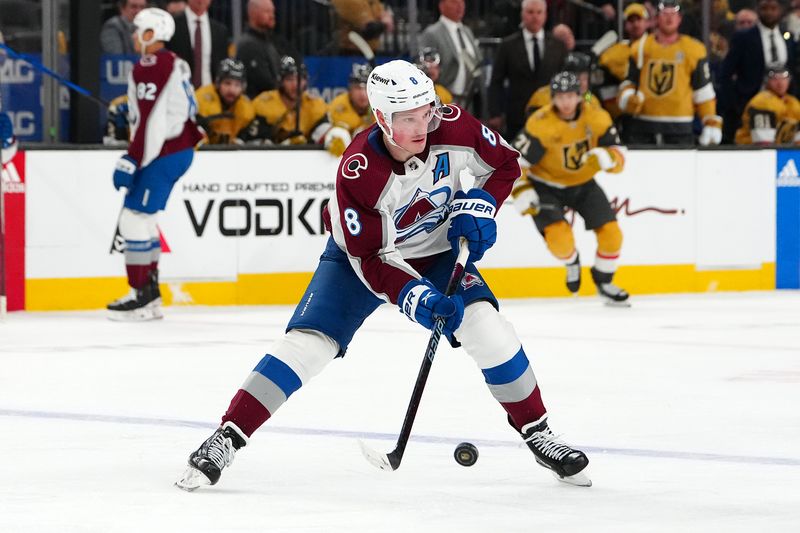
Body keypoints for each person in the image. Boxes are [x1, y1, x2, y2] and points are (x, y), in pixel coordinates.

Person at [176, 59, 592, 492]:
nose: (422, 125)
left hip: (437, 252)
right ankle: (227, 435)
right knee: (308, 345)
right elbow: (374, 259)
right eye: (407, 118)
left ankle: (538, 431)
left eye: (427, 112)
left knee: (489, 328)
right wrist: (417, 298)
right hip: (358, 261)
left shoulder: (453, 126)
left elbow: (504, 164)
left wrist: (482, 204)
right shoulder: (359, 170)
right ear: (381, 118)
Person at [106, 7, 204, 321]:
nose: (135, 37)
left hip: (165, 151)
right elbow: (168, 110)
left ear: (151, 34)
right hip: (177, 150)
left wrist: (132, 158)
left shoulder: (149, 65)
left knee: (133, 219)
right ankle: (148, 296)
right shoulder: (173, 62)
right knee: (143, 219)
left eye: (139, 31)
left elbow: (152, 120)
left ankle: (141, 298)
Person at [510, 71, 629, 306]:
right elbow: (515, 164)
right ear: (552, 97)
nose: (565, 102)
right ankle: (572, 260)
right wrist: (521, 189)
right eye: (560, 96)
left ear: (579, 96)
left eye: (570, 96)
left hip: (584, 184)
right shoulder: (540, 124)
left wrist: (608, 158)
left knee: (612, 235)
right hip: (546, 185)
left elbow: (619, 155)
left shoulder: (597, 117)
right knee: (560, 241)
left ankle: (604, 281)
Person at [617, 0, 721, 145]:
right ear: (657, 18)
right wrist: (628, 98)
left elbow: (702, 90)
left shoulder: (694, 50)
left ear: (680, 19)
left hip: (680, 127)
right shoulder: (640, 47)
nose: (669, 18)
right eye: (665, 14)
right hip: (643, 126)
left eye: (674, 14)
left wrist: (710, 121)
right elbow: (629, 82)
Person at [488, 0, 567, 139]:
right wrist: (495, 113)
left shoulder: (558, 45)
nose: (535, 16)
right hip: (517, 117)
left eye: (539, 12)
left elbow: (564, 80)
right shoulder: (508, 45)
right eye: (530, 12)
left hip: (551, 114)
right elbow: (496, 82)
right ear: (522, 14)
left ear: (545, 15)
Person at [719, 0, 794, 143]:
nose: (769, 12)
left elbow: (793, 71)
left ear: (780, 10)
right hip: (749, 106)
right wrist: (734, 105)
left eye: (773, 8)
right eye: (765, 8)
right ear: (758, 10)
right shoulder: (744, 37)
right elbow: (725, 73)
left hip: (782, 109)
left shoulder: (787, 36)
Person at [244, 56, 348, 152]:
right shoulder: (264, 103)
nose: (295, 85)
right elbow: (253, 144)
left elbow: (322, 131)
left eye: (300, 79)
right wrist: (286, 144)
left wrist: (333, 136)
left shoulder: (314, 105)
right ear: (281, 81)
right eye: (290, 79)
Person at [419, 0, 483, 108]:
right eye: (454, 1)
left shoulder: (467, 31)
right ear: (441, 6)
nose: (460, 5)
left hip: (470, 100)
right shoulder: (432, 33)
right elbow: (426, 68)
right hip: (445, 100)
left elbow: (477, 64)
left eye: (462, 2)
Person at [596, 3, 650, 121]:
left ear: (647, 23)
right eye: (631, 21)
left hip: (649, 105)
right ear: (625, 25)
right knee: (590, 94)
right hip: (622, 110)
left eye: (638, 20)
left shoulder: (655, 48)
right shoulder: (617, 50)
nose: (635, 24)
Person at [235, 0, 298, 99]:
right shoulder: (248, 45)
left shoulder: (270, 42)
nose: (272, 16)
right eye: (267, 12)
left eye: (272, 12)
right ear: (253, 13)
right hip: (258, 108)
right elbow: (266, 84)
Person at [167, 0, 230, 89]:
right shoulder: (172, 26)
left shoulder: (220, 31)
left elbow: (222, 66)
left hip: (210, 95)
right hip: (178, 91)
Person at [195, 58, 256, 144]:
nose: (232, 90)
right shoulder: (201, 100)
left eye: (237, 85)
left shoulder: (246, 109)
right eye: (227, 83)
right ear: (218, 83)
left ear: (243, 87)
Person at [735, 64, 800, 144]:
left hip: (780, 147)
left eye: (784, 78)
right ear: (767, 81)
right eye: (775, 79)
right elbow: (763, 139)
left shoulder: (793, 101)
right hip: (750, 148)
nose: (780, 83)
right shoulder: (761, 100)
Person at [525, 51, 602, 115]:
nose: (583, 83)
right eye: (578, 78)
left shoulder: (589, 96)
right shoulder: (543, 96)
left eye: (585, 78)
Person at [326, 63, 375, 155]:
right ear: (350, 89)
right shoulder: (338, 106)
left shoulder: (380, 108)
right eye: (358, 88)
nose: (363, 94)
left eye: (367, 88)